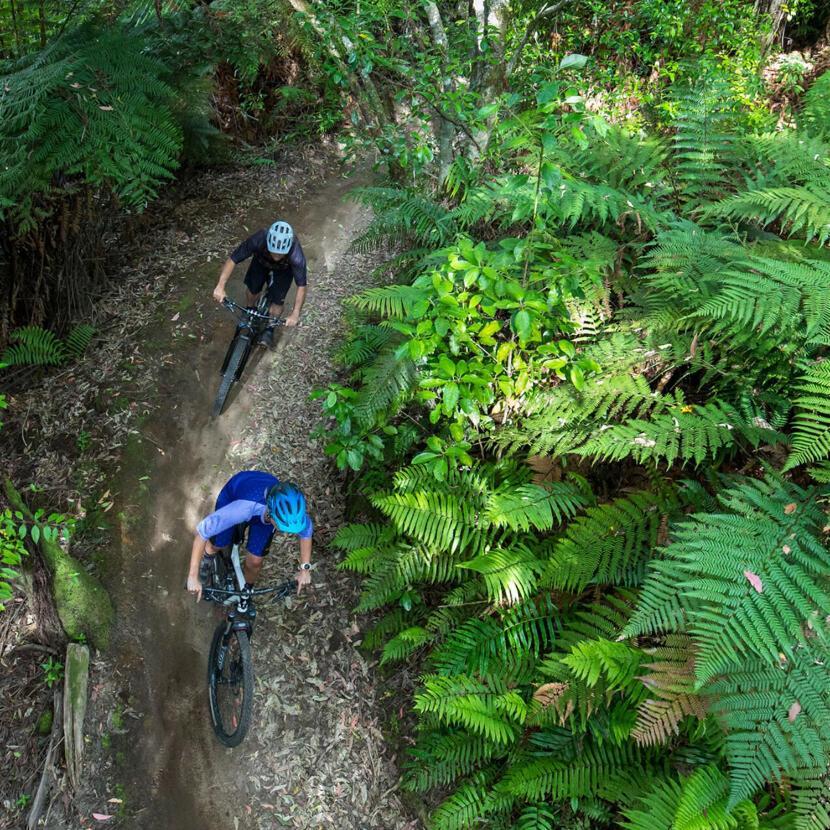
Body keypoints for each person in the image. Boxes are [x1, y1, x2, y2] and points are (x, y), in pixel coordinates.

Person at [186, 471, 313, 601]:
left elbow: (306, 534)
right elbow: (202, 533)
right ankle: (207, 559)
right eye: (281, 526)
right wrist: (192, 576)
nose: (284, 532)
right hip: (236, 494)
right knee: (218, 544)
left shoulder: (294, 514)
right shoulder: (243, 509)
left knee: (255, 561)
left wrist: (305, 569)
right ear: (271, 512)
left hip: (263, 511)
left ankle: (247, 590)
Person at [213, 220, 307, 347]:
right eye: (274, 252)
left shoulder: (296, 256)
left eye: (281, 254)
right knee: (253, 289)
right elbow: (233, 259)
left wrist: (295, 313)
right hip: (261, 262)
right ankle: (249, 309)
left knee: (277, 301)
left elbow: (301, 286)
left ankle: (270, 328)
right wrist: (220, 286)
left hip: (284, 270)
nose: (277, 256)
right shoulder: (258, 239)